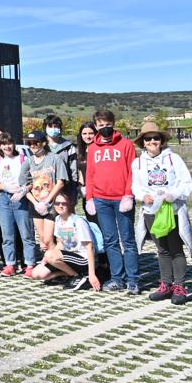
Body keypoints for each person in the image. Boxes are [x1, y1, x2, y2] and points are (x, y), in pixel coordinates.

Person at [131, 121, 192, 304]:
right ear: (142, 142)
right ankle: (166, 284)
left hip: (172, 210)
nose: (152, 141)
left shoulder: (173, 159)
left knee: (175, 248)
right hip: (151, 211)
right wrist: (143, 196)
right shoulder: (138, 163)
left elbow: (187, 183)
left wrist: (174, 194)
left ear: (161, 140)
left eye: (156, 137)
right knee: (162, 249)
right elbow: (135, 186)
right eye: (148, 138)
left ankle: (179, 286)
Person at [85, 110, 140, 294]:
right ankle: (117, 278)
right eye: (101, 125)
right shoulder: (93, 148)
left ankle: (133, 279)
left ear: (113, 123)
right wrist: (90, 198)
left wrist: (128, 195)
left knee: (128, 240)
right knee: (110, 241)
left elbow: (133, 172)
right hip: (101, 200)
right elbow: (90, 175)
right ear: (96, 126)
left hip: (121, 199)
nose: (105, 128)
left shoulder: (126, 145)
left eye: (108, 124)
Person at [30, 191, 102, 292]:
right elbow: (60, 243)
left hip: (83, 259)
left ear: (69, 204)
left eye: (63, 203)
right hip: (68, 257)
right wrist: (47, 259)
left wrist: (92, 274)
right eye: (57, 203)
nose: (60, 206)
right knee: (36, 274)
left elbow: (90, 247)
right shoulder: (58, 220)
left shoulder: (78, 222)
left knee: (50, 254)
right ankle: (67, 274)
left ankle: (77, 275)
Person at [0, 133, 35, 277]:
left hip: (21, 198)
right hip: (4, 199)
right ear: (0, 146)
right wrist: (6, 188)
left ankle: (30, 264)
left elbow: (31, 181)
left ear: (14, 144)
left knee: (26, 233)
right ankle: (10, 264)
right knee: (7, 234)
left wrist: (23, 190)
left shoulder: (23, 159)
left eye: (9, 143)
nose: (7, 146)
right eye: (4, 144)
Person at [44, 115, 78, 202]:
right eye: (50, 126)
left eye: (56, 126)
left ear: (60, 128)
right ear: (45, 128)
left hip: (64, 188)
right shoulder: (41, 146)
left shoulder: (68, 146)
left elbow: (73, 169)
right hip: (44, 188)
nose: (53, 128)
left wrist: (73, 190)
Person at [76, 123, 97, 213]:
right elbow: (81, 170)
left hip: (98, 192)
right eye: (84, 134)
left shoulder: (99, 150)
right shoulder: (81, 152)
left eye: (91, 133)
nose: (87, 136)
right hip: (87, 193)